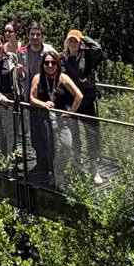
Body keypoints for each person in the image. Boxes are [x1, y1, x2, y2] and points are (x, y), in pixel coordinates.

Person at [29, 51, 83, 188]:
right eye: (47, 63)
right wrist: (44, 104)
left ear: (58, 64)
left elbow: (79, 96)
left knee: (66, 145)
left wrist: (70, 113)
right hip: (44, 120)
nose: (50, 65)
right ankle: (54, 176)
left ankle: (59, 172)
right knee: (49, 148)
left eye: (53, 62)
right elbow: (31, 98)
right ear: (43, 64)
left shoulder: (63, 78)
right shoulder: (38, 77)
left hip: (61, 119)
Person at [62, 29, 105, 184]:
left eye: (75, 40)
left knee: (92, 135)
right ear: (66, 42)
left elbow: (98, 49)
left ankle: (94, 169)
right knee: (74, 137)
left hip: (87, 101)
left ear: (80, 43)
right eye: (70, 40)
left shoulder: (87, 56)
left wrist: (83, 36)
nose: (73, 43)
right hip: (71, 103)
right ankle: (78, 165)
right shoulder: (62, 59)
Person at [16, 22, 54, 181]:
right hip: (31, 99)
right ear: (28, 35)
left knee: (50, 135)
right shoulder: (23, 52)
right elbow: (21, 76)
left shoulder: (49, 50)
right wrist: (19, 73)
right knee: (36, 135)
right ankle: (41, 165)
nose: (35, 37)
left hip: (48, 98)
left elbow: (58, 69)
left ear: (42, 35)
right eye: (32, 34)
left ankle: (53, 168)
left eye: (38, 34)